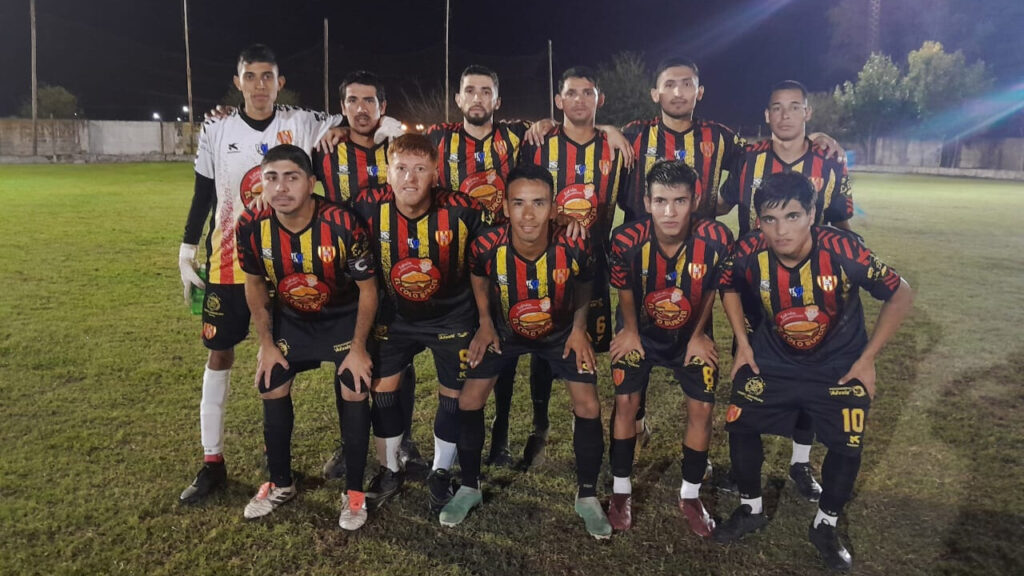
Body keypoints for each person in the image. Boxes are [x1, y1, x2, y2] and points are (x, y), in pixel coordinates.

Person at [713, 172, 912, 572]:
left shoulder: (843, 250)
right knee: (740, 422)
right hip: (774, 359)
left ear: (813, 214)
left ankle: (825, 524)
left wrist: (868, 357)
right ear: (757, 221)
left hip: (839, 365)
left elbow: (900, 291)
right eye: (769, 219)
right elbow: (728, 284)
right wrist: (744, 343)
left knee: (846, 445)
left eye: (792, 216)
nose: (780, 230)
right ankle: (750, 508)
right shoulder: (750, 248)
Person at [177, 44, 341, 505]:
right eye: (251, 76)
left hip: (288, 264)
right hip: (229, 263)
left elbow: (357, 120)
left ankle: (308, 457)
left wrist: (380, 124)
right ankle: (212, 461)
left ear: (280, 81)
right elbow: (203, 193)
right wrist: (188, 248)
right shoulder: (216, 127)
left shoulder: (304, 122)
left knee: (304, 353)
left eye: (267, 76)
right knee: (220, 357)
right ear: (238, 81)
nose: (259, 85)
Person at [439, 164, 611, 539]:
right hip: (505, 330)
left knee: (589, 405)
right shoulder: (487, 244)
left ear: (554, 208)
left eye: (538, 203)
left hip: (560, 331)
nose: (528, 214)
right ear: (504, 205)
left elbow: (585, 282)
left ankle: (587, 496)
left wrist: (580, 329)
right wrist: (485, 322)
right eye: (518, 203)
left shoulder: (575, 242)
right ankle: (469, 487)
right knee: (469, 399)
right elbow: (478, 274)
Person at [717, 80, 857, 499]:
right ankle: (746, 473)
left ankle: (800, 463)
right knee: (749, 372)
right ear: (767, 115)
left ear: (807, 113)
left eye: (794, 107)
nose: (785, 115)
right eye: (777, 108)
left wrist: (855, 260)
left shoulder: (829, 161)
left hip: (811, 293)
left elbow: (841, 221)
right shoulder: (748, 159)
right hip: (753, 287)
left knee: (809, 375)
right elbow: (721, 203)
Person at [234, 144, 378, 530]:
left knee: (354, 383)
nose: (281, 187)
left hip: (340, 317)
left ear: (311, 183)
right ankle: (280, 483)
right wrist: (265, 344)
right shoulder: (250, 224)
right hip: (291, 318)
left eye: (291, 177)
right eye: (271, 178)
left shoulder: (343, 224)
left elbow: (368, 289)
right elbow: (254, 285)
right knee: (271, 381)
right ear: (261, 184)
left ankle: (354, 492)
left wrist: (360, 347)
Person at [350, 134, 489, 514]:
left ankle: (441, 471)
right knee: (384, 387)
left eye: (420, 169)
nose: (410, 178)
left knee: (453, 396)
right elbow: (320, 220)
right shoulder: (365, 206)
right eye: (401, 169)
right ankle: (391, 467)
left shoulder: (464, 209)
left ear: (435, 173)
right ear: (388, 173)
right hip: (394, 317)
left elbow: (500, 245)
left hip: (452, 315)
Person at [606, 160, 733, 535]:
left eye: (679, 201)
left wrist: (698, 334)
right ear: (646, 201)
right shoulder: (626, 240)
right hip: (640, 329)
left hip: (688, 335)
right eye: (660, 201)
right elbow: (625, 289)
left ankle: (691, 495)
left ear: (694, 202)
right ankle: (620, 491)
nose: (669, 211)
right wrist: (629, 331)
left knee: (703, 407)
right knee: (626, 402)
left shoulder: (716, 238)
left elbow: (711, 286)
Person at [311, 69, 422, 480]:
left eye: (370, 101)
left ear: (383, 107)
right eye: (353, 101)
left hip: (395, 273)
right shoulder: (324, 152)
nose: (361, 109)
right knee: (349, 358)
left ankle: (403, 439)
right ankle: (350, 442)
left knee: (399, 358)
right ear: (342, 109)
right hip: (345, 278)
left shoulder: (399, 148)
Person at [516, 66, 625, 469]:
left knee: (587, 350)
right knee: (544, 350)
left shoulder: (616, 147)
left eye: (588, 92)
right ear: (558, 101)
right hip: (542, 264)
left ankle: (586, 424)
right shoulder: (538, 142)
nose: (580, 99)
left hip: (592, 269)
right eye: (571, 93)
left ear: (599, 100)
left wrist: (613, 131)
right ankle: (539, 427)